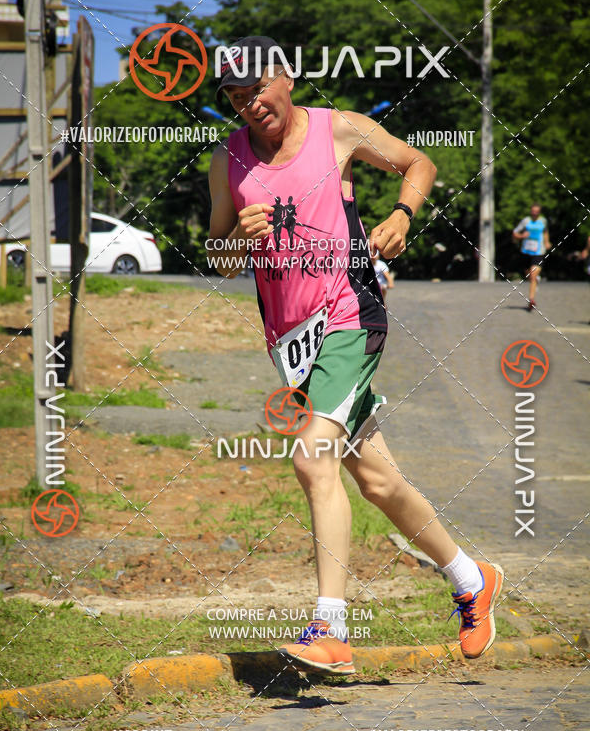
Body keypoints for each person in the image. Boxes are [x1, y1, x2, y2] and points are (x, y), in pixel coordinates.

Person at [208, 36, 503, 675]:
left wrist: (402, 216)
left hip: (350, 314)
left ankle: (329, 627)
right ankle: (470, 578)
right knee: (375, 479)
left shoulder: (336, 131)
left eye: (256, 88)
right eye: (235, 96)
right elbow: (218, 259)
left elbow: (418, 164)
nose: (249, 104)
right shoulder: (227, 159)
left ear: (283, 77)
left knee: (313, 458)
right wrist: (235, 237)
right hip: (291, 340)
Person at [512, 203, 551, 311]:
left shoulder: (543, 221)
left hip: (539, 252)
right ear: (530, 211)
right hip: (526, 252)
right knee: (529, 276)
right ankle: (535, 281)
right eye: (533, 212)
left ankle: (531, 299)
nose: (534, 214)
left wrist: (547, 242)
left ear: (539, 212)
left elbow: (545, 231)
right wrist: (521, 236)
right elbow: (515, 233)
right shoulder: (525, 221)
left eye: (536, 212)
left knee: (533, 275)